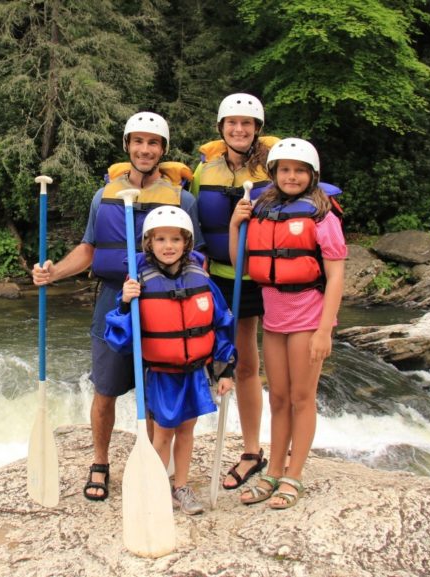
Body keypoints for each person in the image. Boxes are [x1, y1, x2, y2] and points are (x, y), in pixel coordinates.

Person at [31, 112, 203, 501]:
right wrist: (53, 272)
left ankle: (157, 469)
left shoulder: (183, 200)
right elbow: (89, 249)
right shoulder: (103, 195)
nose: (145, 149)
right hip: (113, 298)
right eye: (138, 142)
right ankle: (100, 461)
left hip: (164, 303)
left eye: (153, 143)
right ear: (127, 146)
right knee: (105, 389)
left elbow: (197, 256)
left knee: (158, 389)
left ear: (163, 150)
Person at [228, 137, 346, 509]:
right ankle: (273, 470)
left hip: (309, 315)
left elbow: (336, 275)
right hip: (274, 318)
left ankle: (294, 474)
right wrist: (235, 225)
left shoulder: (321, 215)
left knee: (300, 397)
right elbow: (240, 266)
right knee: (277, 397)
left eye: (299, 170)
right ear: (274, 173)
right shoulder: (262, 211)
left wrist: (325, 330)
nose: (291, 176)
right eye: (284, 169)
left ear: (311, 175)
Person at [103, 205, 236, 515]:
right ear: (149, 243)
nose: (168, 246)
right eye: (160, 239)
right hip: (162, 374)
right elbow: (119, 336)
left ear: (187, 243)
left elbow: (222, 324)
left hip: (194, 372)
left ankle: (181, 486)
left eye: (176, 239)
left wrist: (225, 369)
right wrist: (125, 302)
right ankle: (156, 484)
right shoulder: (138, 282)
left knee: (187, 430)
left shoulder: (200, 278)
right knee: (163, 432)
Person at [191, 93, 280, 490]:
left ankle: (251, 451)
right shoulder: (204, 170)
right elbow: (190, 221)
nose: (239, 129)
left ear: (257, 128)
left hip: (258, 276)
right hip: (217, 276)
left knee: (247, 361)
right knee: (211, 356)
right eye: (232, 123)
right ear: (221, 128)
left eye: (247, 123)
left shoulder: (275, 169)